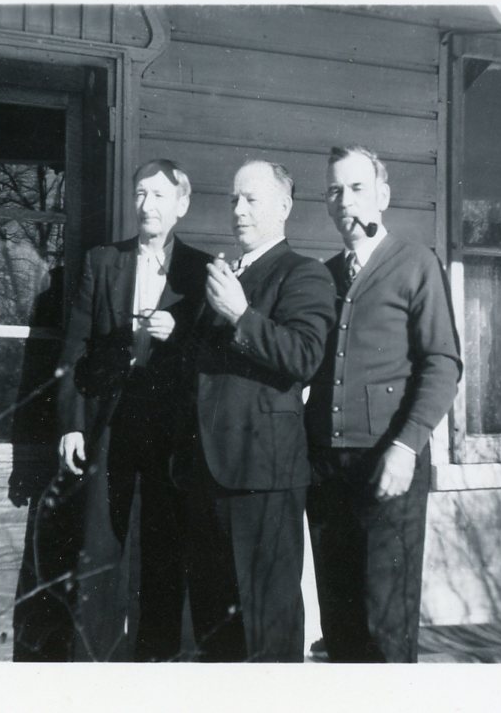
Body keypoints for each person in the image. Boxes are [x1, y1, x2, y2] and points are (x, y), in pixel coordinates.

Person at [20, 158, 210, 661]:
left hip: (170, 435)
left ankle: (157, 664)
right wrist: (71, 425)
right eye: (140, 194)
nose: (147, 205)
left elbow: (211, 358)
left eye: (159, 195)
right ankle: (94, 666)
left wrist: (179, 336)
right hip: (108, 428)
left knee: (164, 551)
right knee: (100, 550)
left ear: (182, 205)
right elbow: (75, 347)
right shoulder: (103, 262)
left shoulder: (201, 270)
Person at [305, 145, 462, 662]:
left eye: (356, 188)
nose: (345, 201)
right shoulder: (324, 275)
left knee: (385, 625)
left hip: (388, 464)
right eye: (334, 191)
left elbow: (443, 364)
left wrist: (406, 447)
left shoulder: (416, 264)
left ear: (383, 196)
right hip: (327, 471)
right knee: (340, 622)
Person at [177, 160, 336, 662]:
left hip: (263, 476)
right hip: (207, 476)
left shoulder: (303, 273)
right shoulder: (225, 276)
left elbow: (305, 356)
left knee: (266, 626)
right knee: (215, 628)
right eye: (233, 200)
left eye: (251, 200)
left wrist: (241, 315)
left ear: (283, 207)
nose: (238, 211)